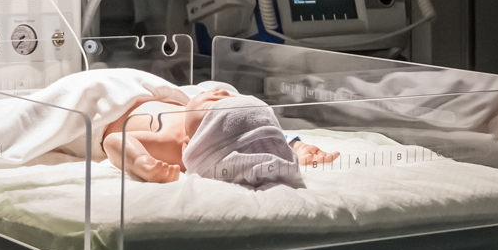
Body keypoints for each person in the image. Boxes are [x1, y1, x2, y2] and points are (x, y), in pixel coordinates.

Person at [102, 87, 338, 186]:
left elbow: (113, 140)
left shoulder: (172, 144)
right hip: (169, 94)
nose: (222, 93)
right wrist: (296, 147)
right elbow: (257, 132)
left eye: (213, 105)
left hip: (118, 103)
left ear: (191, 144)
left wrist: (139, 161)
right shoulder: (211, 129)